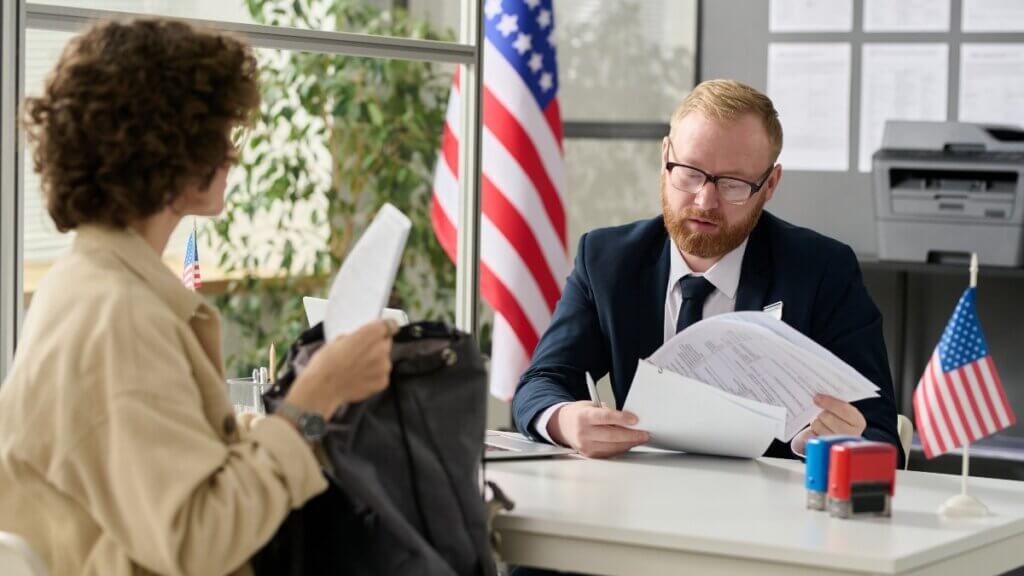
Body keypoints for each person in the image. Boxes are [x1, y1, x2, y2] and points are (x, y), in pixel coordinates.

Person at [0, 18, 396, 575]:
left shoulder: (87, 284)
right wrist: (315, 396)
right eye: (218, 133)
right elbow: (198, 541)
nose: (231, 155)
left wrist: (297, 417)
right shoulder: (121, 316)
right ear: (170, 152)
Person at [512, 79, 902, 464]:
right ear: (665, 158)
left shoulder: (823, 272)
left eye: (733, 184)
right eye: (690, 172)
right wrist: (564, 420)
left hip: (771, 516)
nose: (705, 200)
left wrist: (827, 442)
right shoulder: (606, 260)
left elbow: (880, 432)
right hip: (639, 502)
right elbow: (541, 383)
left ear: (770, 185)